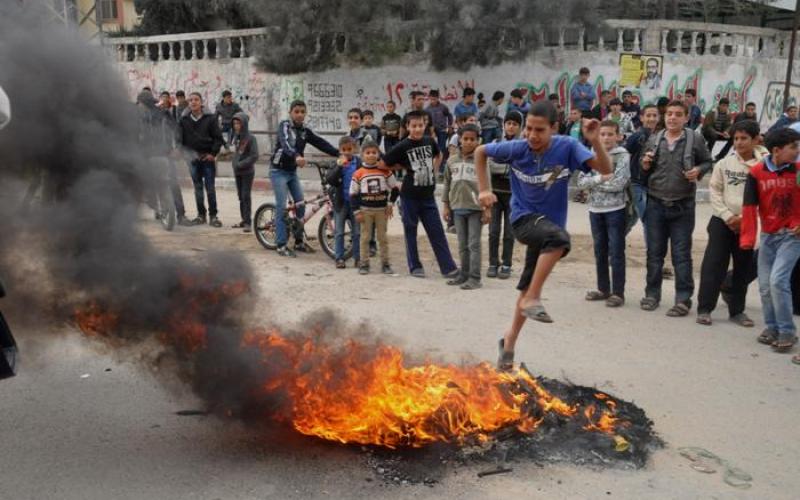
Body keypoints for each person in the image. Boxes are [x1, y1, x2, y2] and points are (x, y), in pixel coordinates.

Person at [475, 100, 612, 370]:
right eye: (529, 129)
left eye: (540, 130)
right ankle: (533, 298)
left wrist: (595, 140)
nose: (532, 136)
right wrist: (483, 189)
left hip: (548, 226)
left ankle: (508, 343)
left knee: (528, 284)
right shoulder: (516, 148)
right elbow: (480, 151)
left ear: (554, 129)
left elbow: (605, 170)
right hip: (524, 220)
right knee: (560, 240)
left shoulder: (567, 147)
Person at [640, 100, 713, 316]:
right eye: (669, 114)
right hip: (655, 203)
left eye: (678, 114)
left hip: (683, 205)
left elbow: (708, 161)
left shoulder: (695, 138)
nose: (672, 117)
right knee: (654, 253)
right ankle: (652, 294)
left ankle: (683, 299)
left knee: (681, 254)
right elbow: (643, 171)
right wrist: (644, 164)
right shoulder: (655, 139)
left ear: (686, 118)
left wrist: (698, 170)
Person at [696, 120, 762, 327]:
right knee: (713, 265)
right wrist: (727, 216)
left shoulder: (762, 167)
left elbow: (766, 197)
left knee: (742, 267)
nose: (739, 143)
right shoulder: (724, 164)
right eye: (736, 138)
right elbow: (715, 191)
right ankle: (705, 309)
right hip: (721, 222)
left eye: (744, 138)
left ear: (756, 140)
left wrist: (745, 219)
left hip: (748, 223)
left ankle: (737, 311)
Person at [741, 127, 800, 356]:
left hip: (792, 236)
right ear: (776, 150)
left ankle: (787, 331)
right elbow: (749, 207)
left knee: (778, 281)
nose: (797, 152)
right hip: (768, 236)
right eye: (793, 147)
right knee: (765, 286)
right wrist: (747, 239)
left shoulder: (797, 171)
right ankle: (772, 327)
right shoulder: (756, 173)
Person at [382, 110, 459, 278]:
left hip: (428, 196)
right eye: (414, 126)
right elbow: (383, 163)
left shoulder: (429, 140)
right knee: (411, 230)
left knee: (437, 231)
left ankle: (448, 267)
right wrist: (403, 167)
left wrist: (434, 170)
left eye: (420, 125)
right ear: (407, 127)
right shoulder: (403, 145)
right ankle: (415, 266)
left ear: (425, 125)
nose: (417, 129)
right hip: (409, 196)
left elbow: (438, 155)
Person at [270, 99, 340, 257]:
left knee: (300, 205)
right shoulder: (285, 126)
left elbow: (320, 142)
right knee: (282, 207)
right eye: (297, 112)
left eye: (303, 112)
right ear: (290, 112)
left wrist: (339, 153)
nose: (300, 115)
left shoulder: (305, 130)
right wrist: (296, 156)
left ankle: (299, 241)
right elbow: (286, 143)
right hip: (278, 171)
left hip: (292, 171)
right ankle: (281, 245)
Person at [577, 120, 631, 307]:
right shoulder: (590, 155)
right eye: (603, 134)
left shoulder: (622, 156)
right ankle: (603, 288)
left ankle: (618, 292)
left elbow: (619, 183)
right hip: (594, 210)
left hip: (615, 210)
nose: (606, 138)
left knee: (616, 251)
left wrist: (594, 182)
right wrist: (602, 177)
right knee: (600, 251)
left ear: (618, 136)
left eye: (610, 134)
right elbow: (581, 182)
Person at [442, 124, 489, 290]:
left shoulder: (481, 160)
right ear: (459, 140)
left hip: (476, 208)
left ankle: (475, 278)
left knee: (474, 244)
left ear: (478, 141)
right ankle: (464, 274)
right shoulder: (451, 161)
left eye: (472, 139)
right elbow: (447, 184)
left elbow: (487, 185)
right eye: (465, 139)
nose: (469, 142)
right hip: (457, 208)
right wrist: (446, 206)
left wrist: (487, 209)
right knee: (462, 244)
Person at [350, 135, 399, 275]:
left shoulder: (385, 171)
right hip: (365, 210)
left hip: (382, 211)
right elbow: (353, 194)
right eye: (367, 152)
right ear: (362, 155)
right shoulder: (358, 173)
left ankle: (386, 264)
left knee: (382, 238)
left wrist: (390, 203)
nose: (371, 155)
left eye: (374, 152)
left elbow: (395, 188)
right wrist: (356, 211)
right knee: (365, 238)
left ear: (378, 154)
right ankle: (364, 264)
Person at [177, 92, 224, 227]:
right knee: (198, 188)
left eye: (196, 100)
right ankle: (201, 215)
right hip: (192, 160)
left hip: (207, 159)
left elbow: (218, 138)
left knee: (210, 188)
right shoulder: (184, 120)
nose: (193, 102)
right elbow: (180, 139)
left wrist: (213, 154)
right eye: (191, 100)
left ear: (201, 102)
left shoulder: (210, 118)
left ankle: (213, 216)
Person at [487, 111, 523, 280]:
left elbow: (520, 167)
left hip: (514, 196)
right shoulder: (496, 143)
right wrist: (508, 166)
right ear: (504, 125)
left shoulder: (523, 145)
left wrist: (504, 164)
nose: (511, 126)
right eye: (508, 123)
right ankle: (493, 263)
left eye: (515, 124)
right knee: (493, 231)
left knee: (509, 233)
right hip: (495, 194)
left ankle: (507, 264)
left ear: (519, 127)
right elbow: (490, 166)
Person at [327, 136, 362, 269]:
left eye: (349, 149)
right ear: (340, 150)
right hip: (341, 203)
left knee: (357, 232)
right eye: (344, 149)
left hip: (355, 203)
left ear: (354, 149)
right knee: (339, 232)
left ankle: (358, 259)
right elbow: (330, 179)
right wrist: (338, 167)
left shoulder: (358, 163)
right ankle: (339, 258)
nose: (347, 152)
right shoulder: (337, 163)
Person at [624, 104, 659, 229]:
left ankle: (615, 243)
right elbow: (625, 154)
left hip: (649, 183)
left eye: (654, 115)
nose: (652, 118)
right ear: (642, 117)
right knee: (648, 219)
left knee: (632, 218)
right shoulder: (637, 136)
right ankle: (652, 248)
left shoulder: (658, 137)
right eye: (648, 115)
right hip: (636, 183)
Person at [230, 112, 258, 233]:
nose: (236, 126)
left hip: (247, 171)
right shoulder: (236, 137)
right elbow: (236, 152)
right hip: (237, 172)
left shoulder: (251, 138)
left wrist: (240, 164)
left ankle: (248, 222)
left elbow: (254, 156)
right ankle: (243, 219)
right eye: (234, 123)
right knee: (240, 196)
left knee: (246, 196)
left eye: (238, 123)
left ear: (244, 124)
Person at [426, 89, 453, 160]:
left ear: (438, 98)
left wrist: (450, 126)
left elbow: (449, 116)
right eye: (431, 99)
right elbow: (426, 122)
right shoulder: (427, 109)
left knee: (442, 148)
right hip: (432, 131)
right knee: (432, 148)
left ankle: (442, 165)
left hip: (442, 130)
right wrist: (430, 132)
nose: (432, 101)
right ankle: (434, 163)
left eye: (434, 99)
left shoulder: (443, 107)